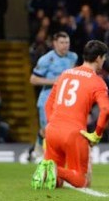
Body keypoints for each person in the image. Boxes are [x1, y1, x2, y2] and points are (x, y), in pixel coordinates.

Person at [30, 40, 109, 189]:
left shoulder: (65, 74)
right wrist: (97, 134)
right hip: (74, 134)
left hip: (52, 131)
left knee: (57, 183)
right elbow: (106, 110)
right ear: (99, 58)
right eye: (104, 57)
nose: (104, 61)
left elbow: (49, 104)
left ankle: (48, 168)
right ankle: (54, 169)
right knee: (82, 181)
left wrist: (50, 124)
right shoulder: (97, 82)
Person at [29, 31, 78, 161]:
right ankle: (38, 152)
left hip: (64, 101)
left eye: (67, 42)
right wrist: (55, 81)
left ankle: (51, 155)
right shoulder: (46, 59)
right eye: (62, 43)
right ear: (55, 43)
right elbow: (33, 80)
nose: (65, 46)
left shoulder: (73, 57)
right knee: (46, 131)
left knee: (63, 130)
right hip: (47, 100)